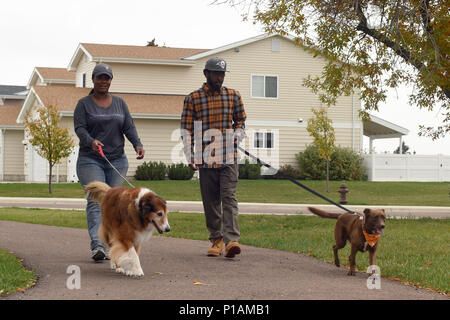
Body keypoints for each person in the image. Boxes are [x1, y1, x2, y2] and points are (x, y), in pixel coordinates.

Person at [74, 63, 145, 262]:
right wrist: (91, 141)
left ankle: (114, 243)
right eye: (100, 78)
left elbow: (128, 127)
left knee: (115, 204)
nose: (103, 81)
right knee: (96, 201)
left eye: (107, 78)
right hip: (90, 159)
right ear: (93, 80)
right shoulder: (84, 104)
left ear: (110, 80)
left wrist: (137, 144)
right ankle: (98, 246)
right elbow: (80, 129)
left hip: (117, 160)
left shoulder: (120, 103)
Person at [181, 57, 246, 258]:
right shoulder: (193, 98)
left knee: (229, 197)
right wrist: (190, 154)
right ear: (206, 74)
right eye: (216, 74)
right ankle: (216, 239)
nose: (219, 77)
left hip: (229, 156)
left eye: (222, 74)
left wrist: (238, 134)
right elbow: (187, 129)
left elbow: (240, 121)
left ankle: (231, 240)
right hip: (205, 156)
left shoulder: (233, 96)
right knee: (210, 201)